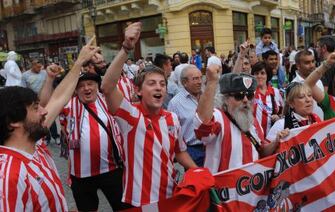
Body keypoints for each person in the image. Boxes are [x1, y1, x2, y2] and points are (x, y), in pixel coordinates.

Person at [100, 22, 197, 208]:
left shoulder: (172, 118)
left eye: (162, 83)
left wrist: (198, 171)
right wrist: (126, 48)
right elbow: (107, 87)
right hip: (139, 202)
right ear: (138, 91)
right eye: (152, 83)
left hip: (170, 196)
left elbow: (180, 151)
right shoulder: (131, 115)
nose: (159, 87)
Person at [0, 38, 100, 211]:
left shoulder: (34, 144)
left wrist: (78, 63)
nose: (45, 112)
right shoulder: (8, 177)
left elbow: (59, 98)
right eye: (35, 108)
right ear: (14, 122)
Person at [57, 72, 129, 211]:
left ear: (97, 86)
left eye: (90, 84)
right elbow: (52, 107)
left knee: (123, 208)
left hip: (111, 168)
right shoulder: (67, 106)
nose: (86, 88)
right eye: (81, 86)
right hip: (81, 174)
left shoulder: (109, 101)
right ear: (75, 90)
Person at [194, 65, 279, 173]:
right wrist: (211, 82)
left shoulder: (253, 121)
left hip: (251, 186)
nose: (245, 100)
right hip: (224, 187)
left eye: (249, 96)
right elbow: (202, 126)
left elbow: (261, 151)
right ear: (225, 98)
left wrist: (276, 141)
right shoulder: (218, 117)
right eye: (239, 96)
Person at [168, 65, 204, 166]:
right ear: (184, 82)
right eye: (195, 79)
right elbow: (172, 132)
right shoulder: (175, 103)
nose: (200, 81)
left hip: (213, 148)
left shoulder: (207, 96)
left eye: (201, 77)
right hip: (193, 151)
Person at [250, 62, 284, 136]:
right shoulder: (249, 93)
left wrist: (278, 117)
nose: (259, 76)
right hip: (254, 137)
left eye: (262, 73)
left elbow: (283, 111)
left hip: (272, 137)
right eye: (256, 73)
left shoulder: (276, 92)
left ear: (267, 75)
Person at [291, 50, 324, 120]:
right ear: (298, 66)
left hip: (321, 124)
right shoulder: (293, 86)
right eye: (307, 63)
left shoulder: (319, 81)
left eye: (313, 61)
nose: (312, 65)